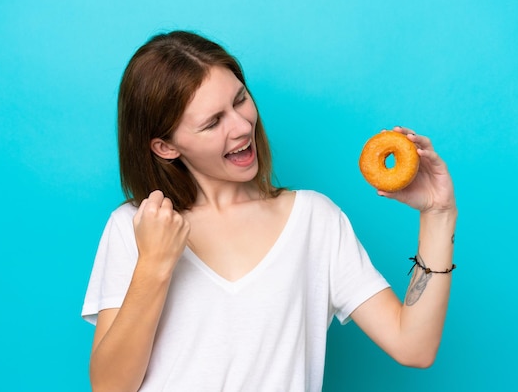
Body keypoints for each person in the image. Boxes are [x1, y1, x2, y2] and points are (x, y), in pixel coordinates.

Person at [81, 30, 457, 392]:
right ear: (166, 147)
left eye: (240, 99)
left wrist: (438, 214)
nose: (243, 126)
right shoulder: (135, 227)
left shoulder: (315, 220)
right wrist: (154, 265)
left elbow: (414, 347)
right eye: (213, 122)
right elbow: (110, 386)